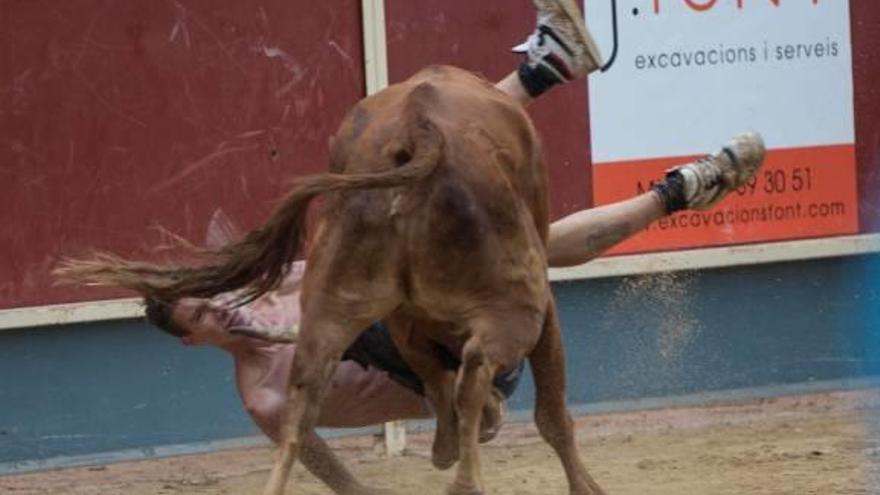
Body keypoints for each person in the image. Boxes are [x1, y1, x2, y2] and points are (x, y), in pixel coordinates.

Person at [143, 1, 765, 494]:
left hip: (421, 300)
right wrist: (447, 413)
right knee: (529, 251)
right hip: (468, 360)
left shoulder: (277, 293)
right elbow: (332, 442)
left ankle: (676, 183)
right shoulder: (266, 398)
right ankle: (559, 81)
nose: (220, 308)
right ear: (197, 341)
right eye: (202, 316)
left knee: (439, 184)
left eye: (212, 297)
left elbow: (347, 248)